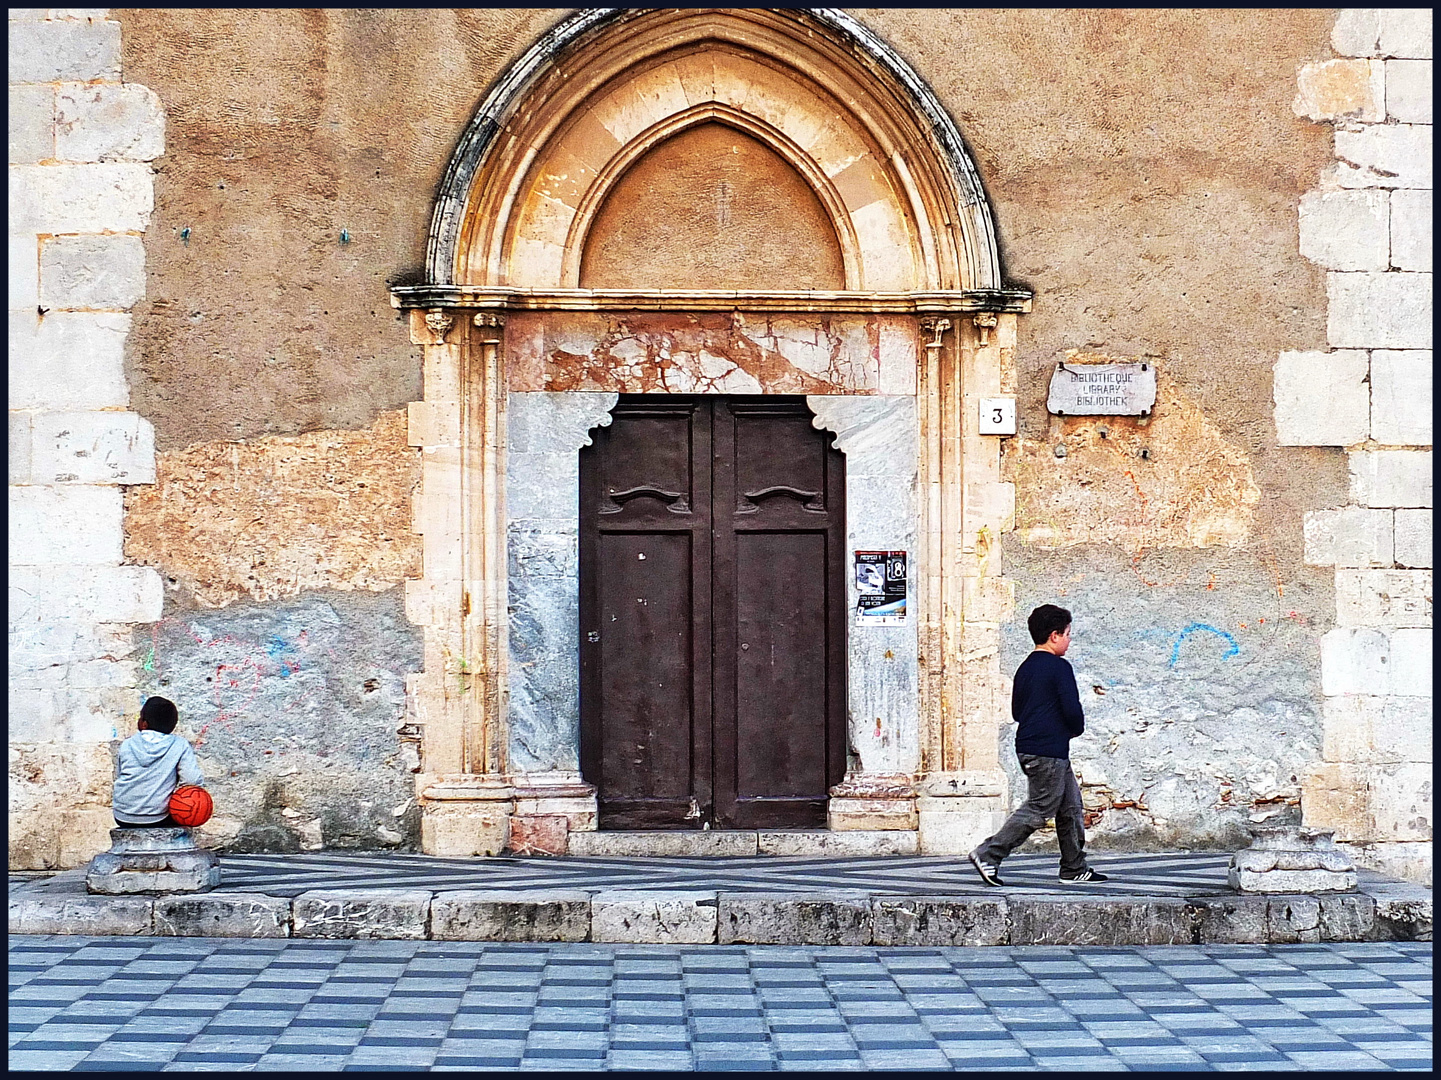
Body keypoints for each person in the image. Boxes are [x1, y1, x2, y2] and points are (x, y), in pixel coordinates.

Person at [968, 604, 1109, 885]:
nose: (1069, 639)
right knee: (1040, 807)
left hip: (1033, 747)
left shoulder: (1025, 668)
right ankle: (989, 854)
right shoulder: (1059, 667)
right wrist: (1073, 729)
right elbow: (1072, 709)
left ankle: (1073, 867)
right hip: (1048, 750)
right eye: (1067, 634)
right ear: (1054, 635)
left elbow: (1018, 712)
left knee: (1070, 806)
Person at [112, 696, 204, 828]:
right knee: (191, 809)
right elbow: (192, 780)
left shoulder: (127, 744)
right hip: (160, 817)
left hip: (123, 816)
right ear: (172, 726)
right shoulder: (180, 744)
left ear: (144, 723)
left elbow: (122, 775)